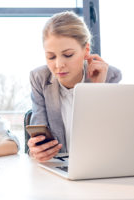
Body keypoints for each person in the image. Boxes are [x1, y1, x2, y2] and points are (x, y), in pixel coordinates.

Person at [28, 11, 122, 162]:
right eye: (51, 56)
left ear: (86, 50)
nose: (58, 65)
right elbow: (38, 135)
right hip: (58, 167)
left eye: (68, 54)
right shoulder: (40, 78)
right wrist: (36, 150)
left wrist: (98, 90)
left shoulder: (110, 76)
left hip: (99, 164)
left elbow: (114, 139)